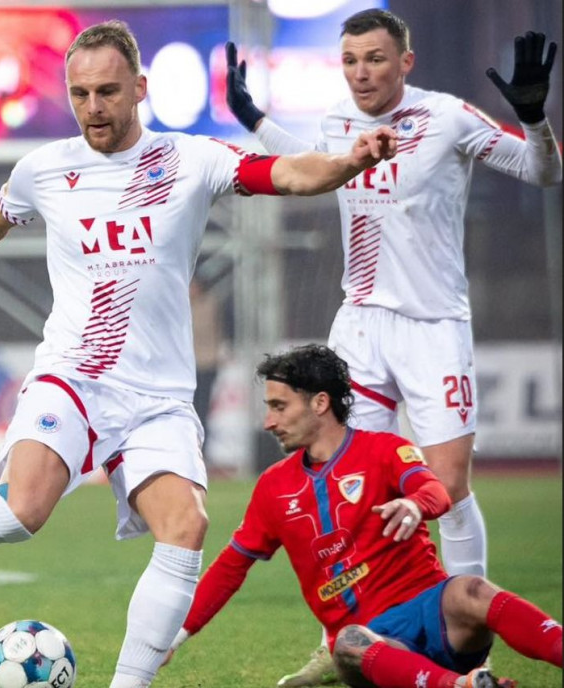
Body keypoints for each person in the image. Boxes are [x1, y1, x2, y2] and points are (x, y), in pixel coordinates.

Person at [0, 20, 395, 687]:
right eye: (80, 94)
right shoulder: (46, 168)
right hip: (75, 375)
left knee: (186, 527)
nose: (94, 107)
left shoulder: (191, 160)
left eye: (108, 91)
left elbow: (291, 173)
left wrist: (349, 163)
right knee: (22, 511)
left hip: (158, 395)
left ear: (140, 88)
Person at [224, 10, 562, 685]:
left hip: (433, 327)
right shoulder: (337, 122)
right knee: (349, 487)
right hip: (360, 328)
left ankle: (471, 644)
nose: (361, 73)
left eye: (375, 59)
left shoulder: (448, 117)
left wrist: (533, 118)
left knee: (449, 489)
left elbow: (542, 170)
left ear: (406, 61)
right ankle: (349, 640)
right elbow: (306, 158)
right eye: (350, 60)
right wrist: (252, 118)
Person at [166, 344, 562, 688]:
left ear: (320, 403)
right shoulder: (273, 486)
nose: (269, 422)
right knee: (349, 643)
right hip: (376, 644)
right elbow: (231, 567)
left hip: (436, 615)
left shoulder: (385, 450)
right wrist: (175, 634)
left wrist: (414, 504)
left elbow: (436, 492)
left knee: (471, 589)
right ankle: (460, 685)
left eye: (279, 407)